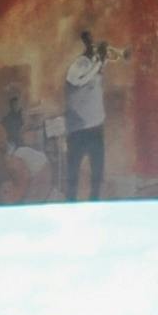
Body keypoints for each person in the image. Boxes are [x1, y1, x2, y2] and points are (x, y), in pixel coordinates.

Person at [60, 27, 113, 201]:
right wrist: (97, 65)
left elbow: (93, 81)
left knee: (97, 175)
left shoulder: (94, 66)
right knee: (73, 176)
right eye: (91, 43)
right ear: (86, 44)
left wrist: (102, 62)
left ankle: (94, 204)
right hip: (78, 130)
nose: (94, 47)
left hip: (96, 128)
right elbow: (75, 81)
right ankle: (71, 206)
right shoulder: (80, 64)